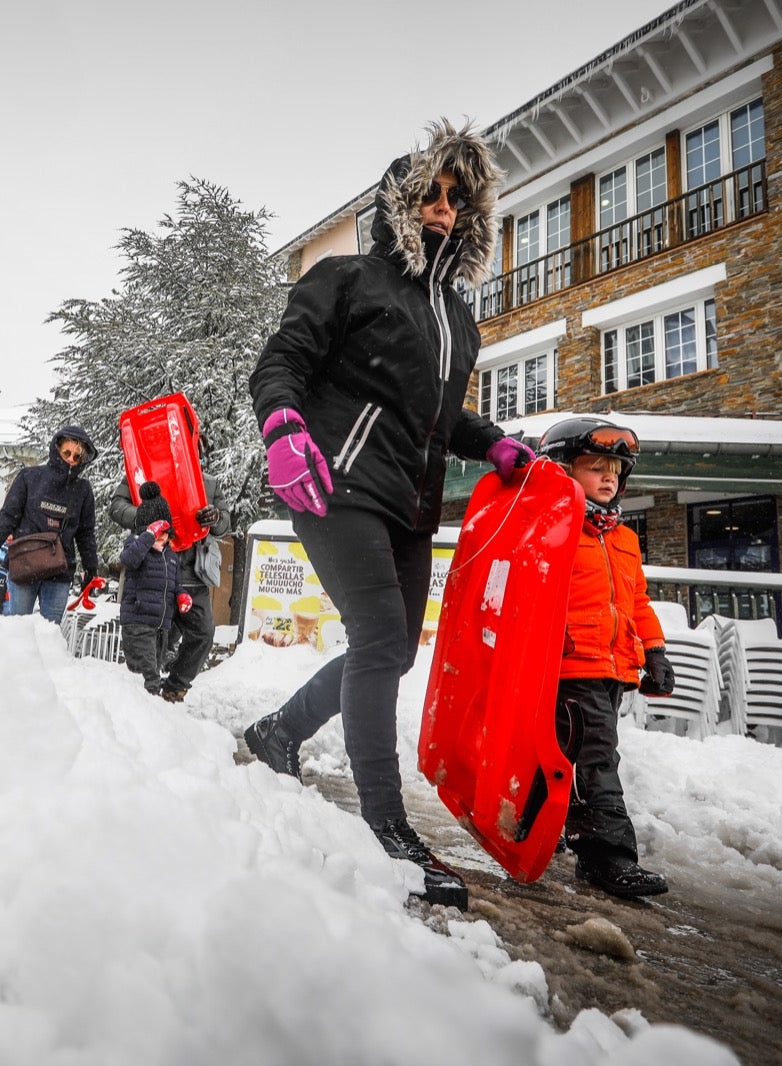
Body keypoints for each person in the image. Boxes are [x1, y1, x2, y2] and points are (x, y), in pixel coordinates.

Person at [242, 119, 533, 910]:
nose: (444, 210)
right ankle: (387, 833)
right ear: (399, 204)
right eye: (430, 196)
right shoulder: (346, 280)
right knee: (378, 640)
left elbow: (435, 415)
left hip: (409, 502)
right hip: (332, 484)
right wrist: (282, 428)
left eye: (457, 199)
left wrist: (493, 442)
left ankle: (278, 732)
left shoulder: (459, 319)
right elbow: (283, 361)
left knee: (395, 651)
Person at [539, 416, 676, 898]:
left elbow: (636, 602)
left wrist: (654, 651)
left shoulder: (624, 538)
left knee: (565, 756)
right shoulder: (553, 528)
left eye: (616, 468)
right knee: (596, 759)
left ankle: (536, 827)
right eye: (594, 466)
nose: (609, 476)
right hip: (570, 667)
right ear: (562, 470)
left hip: (613, 669)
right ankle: (607, 857)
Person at [108, 464, 232, 703]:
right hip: (152, 573)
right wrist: (148, 517)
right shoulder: (143, 471)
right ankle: (143, 696)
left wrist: (214, 518)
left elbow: (225, 523)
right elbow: (116, 507)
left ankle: (175, 686)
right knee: (150, 640)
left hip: (192, 576)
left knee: (203, 633)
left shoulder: (207, 482)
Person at [0, 426, 101, 624]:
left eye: (77, 457)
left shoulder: (82, 490)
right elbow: (7, 519)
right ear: (56, 449)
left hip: (60, 572)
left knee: (50, 635)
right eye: (67, 453)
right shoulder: (29, 477)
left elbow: (85, 534)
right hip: (24, 566)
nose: (71, 460)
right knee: (17, 629)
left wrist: (91, 570)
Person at [116, 483, 191, 696]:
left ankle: (146, 716)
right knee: (146, 677)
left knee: (153, 672)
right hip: (138, 623)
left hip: (160, 627)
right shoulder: (136, 545)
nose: (161, 537)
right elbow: (129, 560)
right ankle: (144, 718)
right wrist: (148, 536)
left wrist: (181, 595)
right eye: (156, 532)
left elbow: (175, 584)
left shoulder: (170, 556)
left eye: (165, 532)